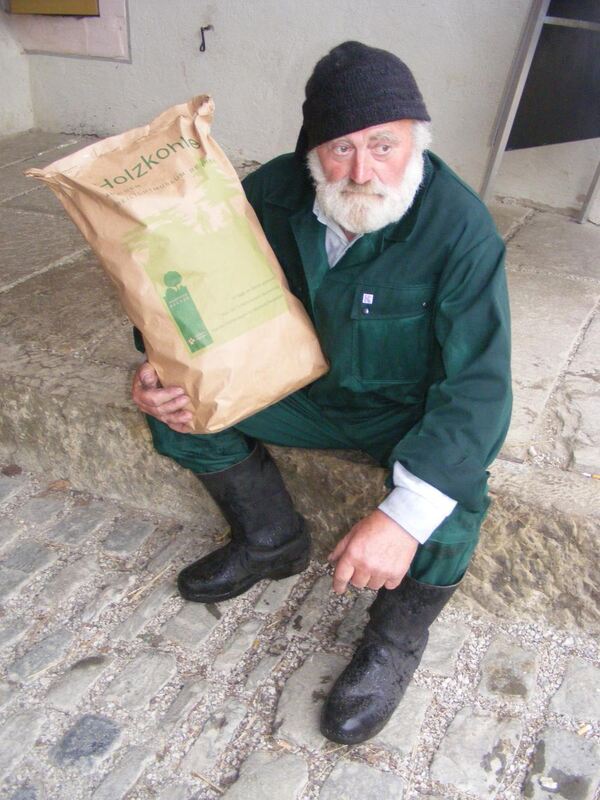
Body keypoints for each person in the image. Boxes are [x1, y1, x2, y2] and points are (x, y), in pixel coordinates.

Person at [131, 41, 512, 745]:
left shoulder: (460, 228)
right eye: (340, 149)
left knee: (453, 493)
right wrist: (158, 364)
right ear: (312, 151)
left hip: (405, 410)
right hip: (297, 386)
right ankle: (272, 539)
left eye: (383, 145)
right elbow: (184, 290)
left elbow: (479, 390)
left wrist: (400, 517)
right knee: (181, 411)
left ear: (416, 143)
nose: (363, 171)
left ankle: (397, 638)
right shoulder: (272, 192)